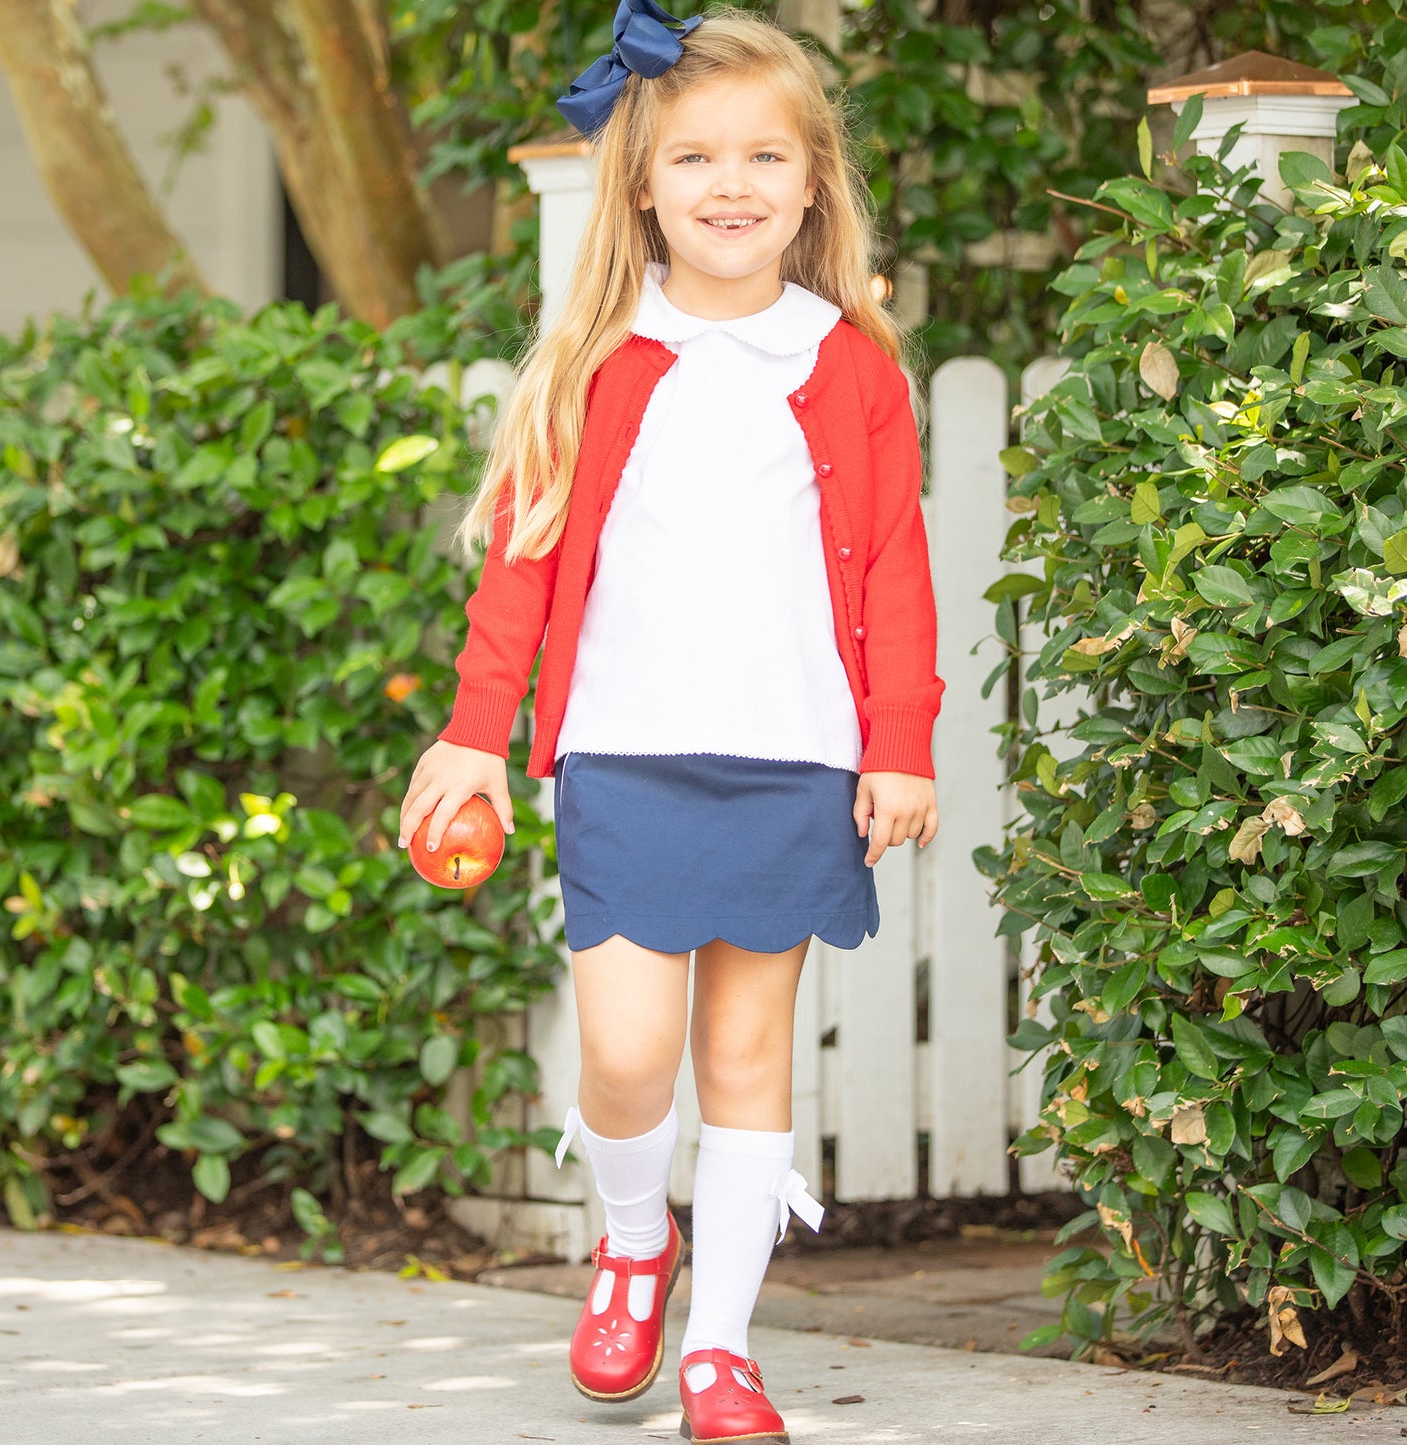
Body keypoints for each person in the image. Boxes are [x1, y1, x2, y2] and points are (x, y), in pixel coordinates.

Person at [398, 4, 943, 1441]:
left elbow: (896, 565)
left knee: (747, 1060)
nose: (730, 184)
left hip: (794, 757)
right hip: (627, 754)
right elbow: (520, 568)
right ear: (639, 184)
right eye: (693, 157)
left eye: (766, 155)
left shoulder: (850, 363)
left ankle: (718, 1350)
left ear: (813, 182)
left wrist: (897, 743)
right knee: (628, 1053)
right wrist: (471, 733)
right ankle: (634, 1243)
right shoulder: (600, 356)